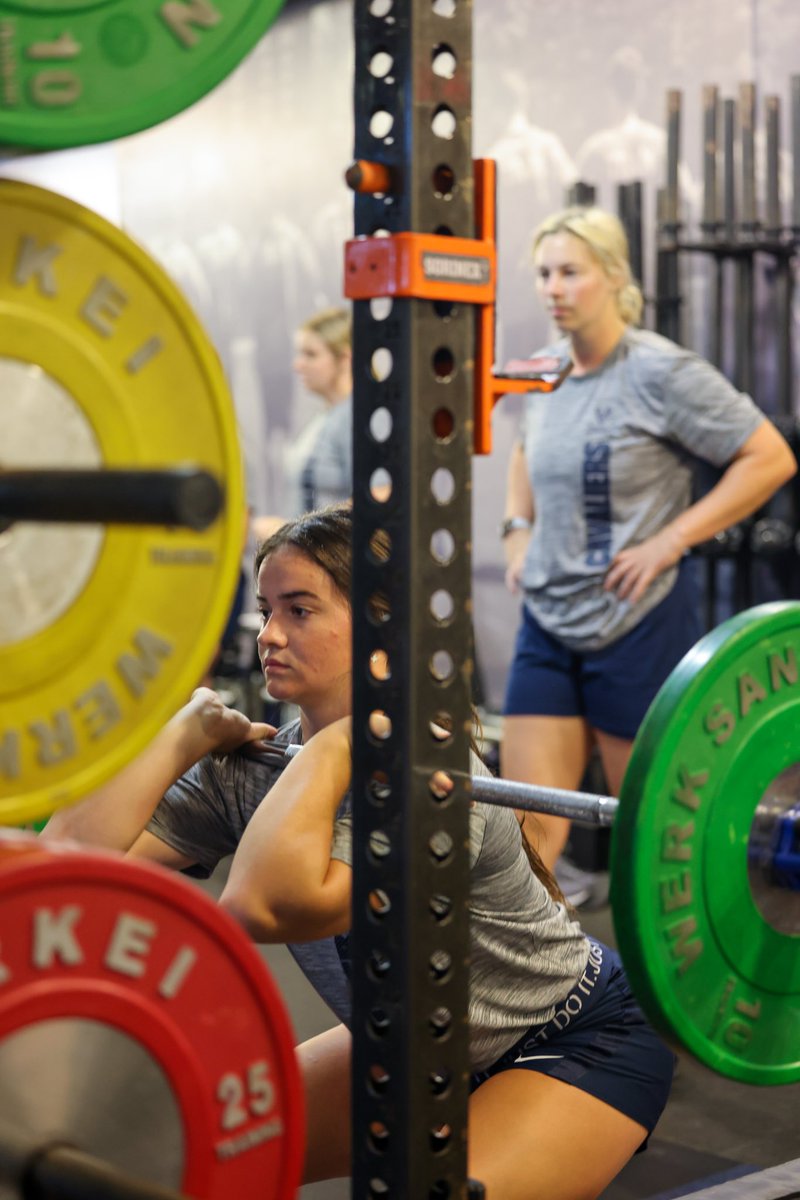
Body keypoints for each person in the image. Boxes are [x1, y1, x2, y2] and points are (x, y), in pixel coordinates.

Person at [43, 504, 675, 1200]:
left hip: (572, 1038)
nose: (269, 635)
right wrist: (181, 733)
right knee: (191, 1148)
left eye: (300, 610)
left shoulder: (431, 773)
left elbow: (261, 906)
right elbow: (66, 864)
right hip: (411, 1044)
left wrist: (341, 741)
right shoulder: (252, 764)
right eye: (265, 610)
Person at [500, 205, 797, 882]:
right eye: (544, 273)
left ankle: (648, 986)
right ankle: (538, 981)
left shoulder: (661, 371)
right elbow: (524, 448)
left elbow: (769, 456)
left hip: (637, 621)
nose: (552, 287)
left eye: (570, 272)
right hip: (547, 619)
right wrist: (517, 531)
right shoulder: (542, 369)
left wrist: (671, 540)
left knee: (647, 836)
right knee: (525, 838)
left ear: (613, 276)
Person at [252, 306, 353, 542]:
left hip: (338, 571)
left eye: (311, 354)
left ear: (345, 359)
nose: (298, 365)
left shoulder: (357, 418)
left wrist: (291, 530)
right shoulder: (326, 418)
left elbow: (380, 499)